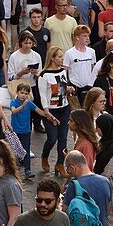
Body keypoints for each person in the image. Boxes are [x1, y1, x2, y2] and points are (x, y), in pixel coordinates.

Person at [38, 47, 71, 177]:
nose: (62, 59)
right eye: (59, 57)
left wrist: (69, 90)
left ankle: (60, 163)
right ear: (52, 58)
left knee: (63, 137)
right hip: (51, 110)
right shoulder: (44, 75)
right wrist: (47, 112)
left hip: (64, 108)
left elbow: (63, 87)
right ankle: (45, 155)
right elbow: (43, 95)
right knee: (52, 138)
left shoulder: (63, 71)